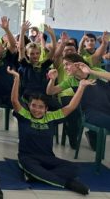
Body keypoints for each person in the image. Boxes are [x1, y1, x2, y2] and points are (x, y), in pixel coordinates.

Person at [7, 66, 91, 195]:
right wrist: (17, 78)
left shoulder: (51, 117)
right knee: (34, 168)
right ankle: (67, 183)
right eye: (33, 105)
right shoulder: (25, 115)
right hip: (28, 158)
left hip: (48, 158)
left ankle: (36, 176)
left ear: (46, 109)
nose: (36, 109)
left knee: (75, 169)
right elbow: (14, 100)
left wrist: (82, 87)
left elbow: (71, 107)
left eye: (41, 107)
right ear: (29, 106)